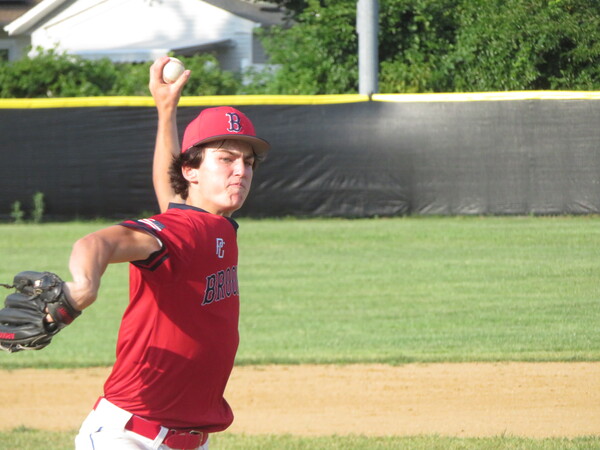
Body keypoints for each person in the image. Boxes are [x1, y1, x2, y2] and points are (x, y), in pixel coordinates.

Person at [69, 56, 271, 449]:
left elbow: (171, 196)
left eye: (248, 162)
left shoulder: (212, 224)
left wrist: (166, 110)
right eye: (226, 159)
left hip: (186, 440)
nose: (241, 171)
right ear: (192, 172)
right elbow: (98, 243)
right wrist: (84, 287)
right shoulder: (184, 231)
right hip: (129, 437)